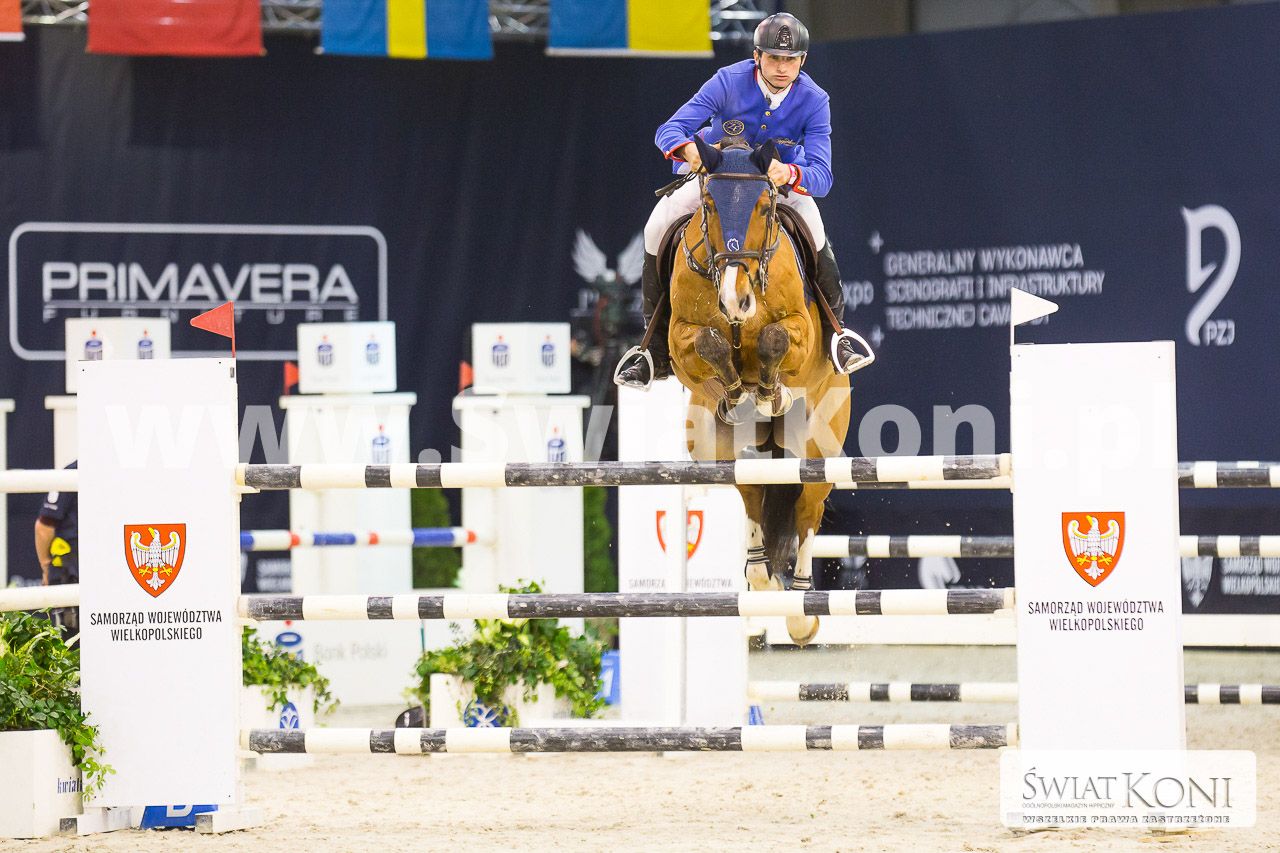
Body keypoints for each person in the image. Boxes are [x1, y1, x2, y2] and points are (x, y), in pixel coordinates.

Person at [615, 11, 868, 389]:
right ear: (757, 56)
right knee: (657, 226)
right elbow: (670, 129)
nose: (781, 68)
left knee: (816, 233)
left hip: (775, 185)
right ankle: (652, 348)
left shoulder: (815, 100)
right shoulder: (728, 81)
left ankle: (837, 336)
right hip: (719, 181)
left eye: (790, 60)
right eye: (773, 58)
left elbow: (822, 175)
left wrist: (791, 173)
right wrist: (688, 150)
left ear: (802, 61)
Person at [34, 460, 78, 633]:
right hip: (72, 573)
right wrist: (47, 567)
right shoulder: (71, 473)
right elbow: (44, 527)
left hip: (90, 572)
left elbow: (43, 527)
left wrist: (46, 568)